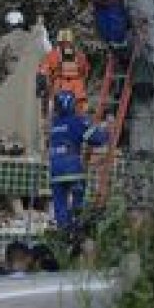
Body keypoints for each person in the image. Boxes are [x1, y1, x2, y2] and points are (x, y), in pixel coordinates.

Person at [48, 89, 108, 231]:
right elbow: (96, 139)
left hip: (55, 170)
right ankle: (77, 231)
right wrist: (107, 132)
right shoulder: (77, 121)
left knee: (60, 204)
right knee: (78, 202)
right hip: (72, 169)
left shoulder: (54, 125)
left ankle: (63, 232)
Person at [36, 28, 92, 114]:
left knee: (54, 116)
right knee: (80, 117)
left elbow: (42, 71)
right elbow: (86, 72)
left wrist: (41, 87)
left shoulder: (52, 55)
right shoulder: (80, 56)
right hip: (77, 92)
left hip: (59, 91)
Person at [0, 9, 33, 86]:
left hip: (13, 80)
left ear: (8, 24)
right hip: (32, 79)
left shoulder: (6, 39)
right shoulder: (32, 38)